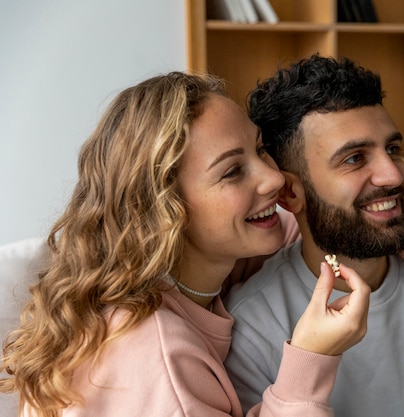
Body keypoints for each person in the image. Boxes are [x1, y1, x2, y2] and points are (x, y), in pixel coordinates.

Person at [0, 72, 372, 417]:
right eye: (232, 171)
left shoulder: (206, 266)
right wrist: (309, 362)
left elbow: (359, 217)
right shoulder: (157, 355)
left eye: (259, 149)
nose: (274, 178)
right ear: (166, 208)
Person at [224, 55, 404, 416]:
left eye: (392, 150)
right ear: (290, 193)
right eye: (354, 159)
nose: (393, 175)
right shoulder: (255, 326)